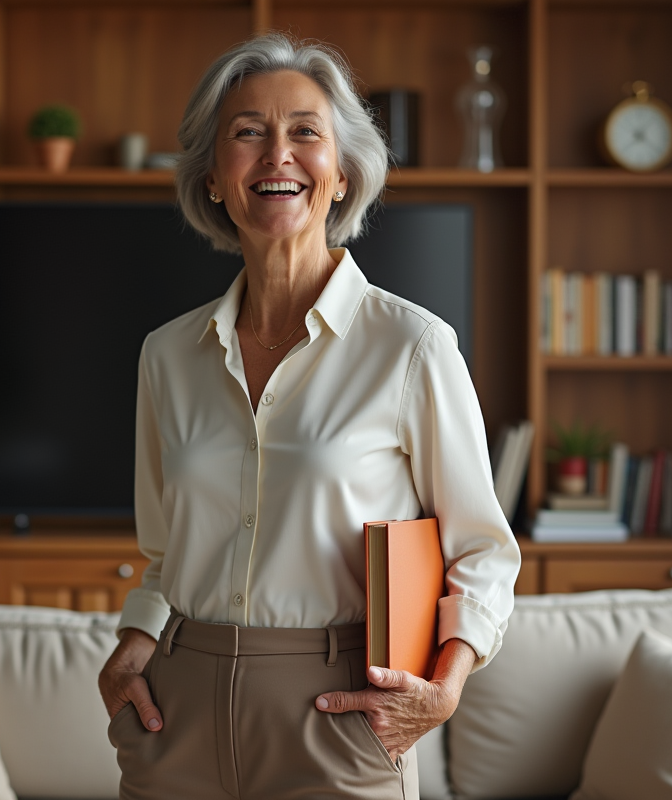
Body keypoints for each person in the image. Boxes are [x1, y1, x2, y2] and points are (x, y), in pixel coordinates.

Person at [96, 33, 521, 800]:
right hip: (175, 711)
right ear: (214, 178)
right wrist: (134, 643)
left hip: (339, 712)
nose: (277, 155)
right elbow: (163, 551)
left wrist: (446, 686)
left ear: (343, 172)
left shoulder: (413, 347)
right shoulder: (167, 355)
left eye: (305, 133)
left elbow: (483, 552)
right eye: (248, 132)